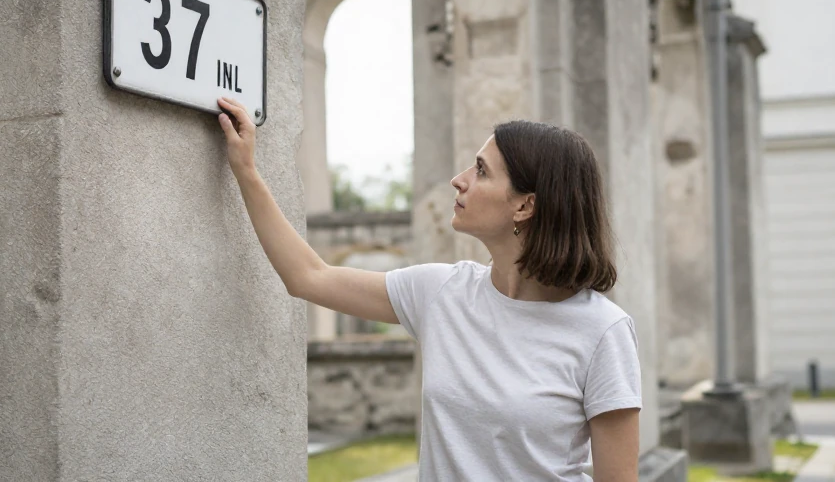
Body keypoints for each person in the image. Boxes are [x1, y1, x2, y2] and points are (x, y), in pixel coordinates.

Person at [216, 97, 641, 482]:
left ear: (525, 205)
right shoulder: (441, 292)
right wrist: (246, 170)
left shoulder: (602, 331)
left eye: (480, 171)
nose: (459, 180)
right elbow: (309, 276)